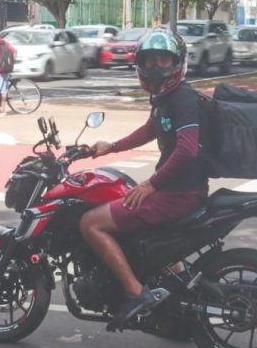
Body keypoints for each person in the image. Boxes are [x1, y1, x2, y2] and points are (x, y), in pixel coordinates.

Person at [79, 29, 208, 332]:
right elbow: (150, 130)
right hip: (178, 190)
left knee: (90, 223)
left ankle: (134, 292)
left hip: (178, 193)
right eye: (149, 60)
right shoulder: (165, 98)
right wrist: (112, 147)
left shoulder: (183, 99)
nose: (156, 67)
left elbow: (187, 150)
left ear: (177, 62)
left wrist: (152, 185)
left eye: (163, 59)